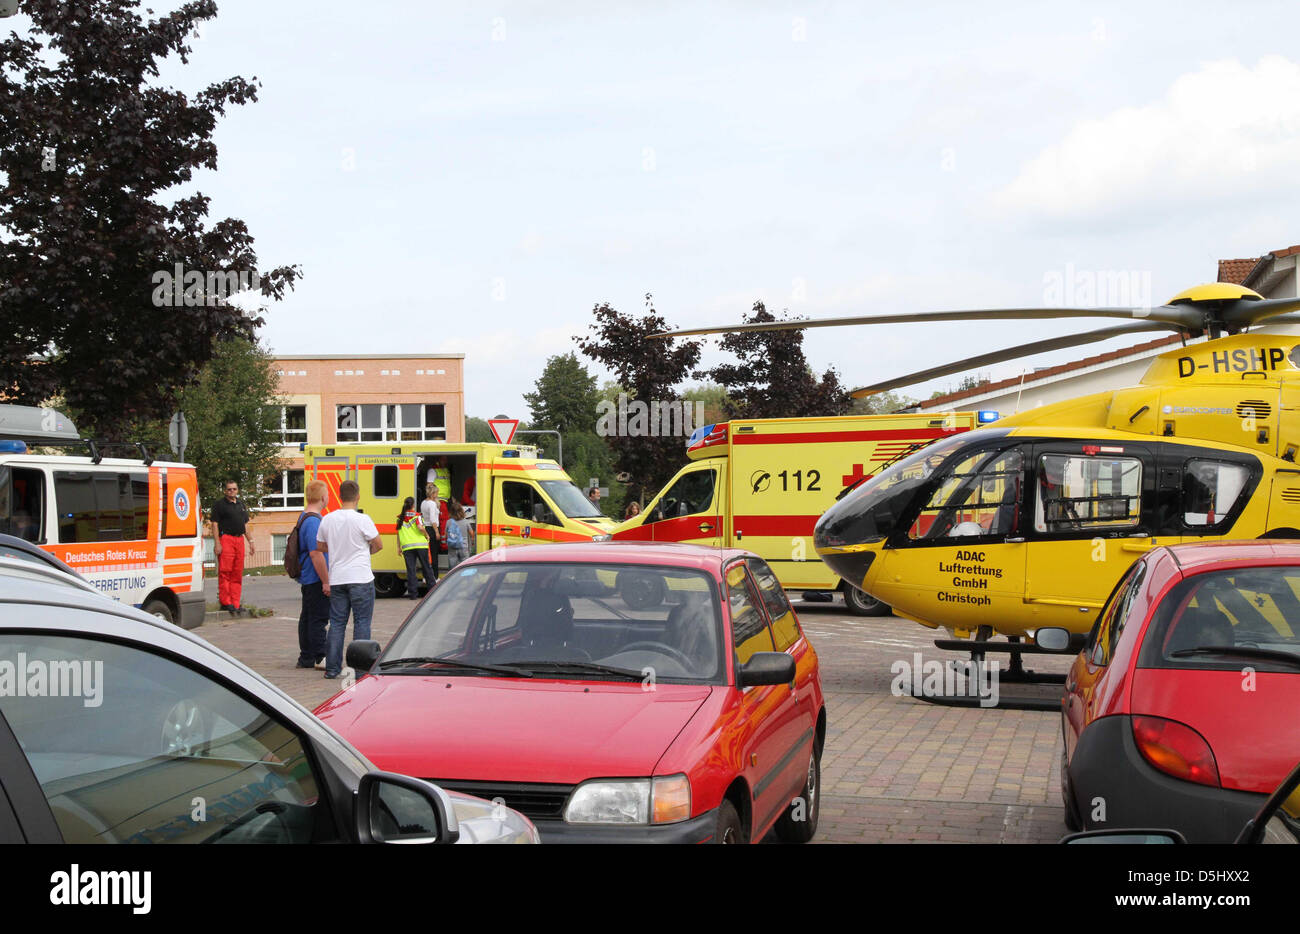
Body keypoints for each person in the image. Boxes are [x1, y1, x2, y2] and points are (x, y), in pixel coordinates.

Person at [315, 479, 382, 679]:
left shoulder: (328, 519)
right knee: (361, 622)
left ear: (339, 495)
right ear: (358, 496)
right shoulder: (363, 519)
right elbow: (378, 544)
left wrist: (336, 549)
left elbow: (319, 546)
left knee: (336, 623)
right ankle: (360, 670)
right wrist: (364, 550)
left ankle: (332, 668)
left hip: (337, 579)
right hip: (360, 577)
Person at [295, 480, 330, 670]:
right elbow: (316, 553)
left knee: (308, 617)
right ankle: (319, 656)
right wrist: (326, 580)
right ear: (323, 497)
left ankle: (306, 656)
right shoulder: (314, 521)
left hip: (309, 576)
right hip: (315, 577)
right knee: (318, 618)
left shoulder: (304, 517)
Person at [209, 479, 255, 614]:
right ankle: (226, 602)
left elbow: (245, 525)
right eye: (229, 489)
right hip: (226, 539)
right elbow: (214, 524)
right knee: (225, 572)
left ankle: (235, 603)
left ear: (237, 490)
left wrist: (251, 541)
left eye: (234, 489)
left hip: (239, 539)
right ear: (225, 491)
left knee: (237, 572)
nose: (232, 491)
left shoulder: (241, 504)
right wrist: (217, 542)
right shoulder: (219, 505)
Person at [396, 496, 433, 599]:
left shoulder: (399, 517)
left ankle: (413, 594)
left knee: (411, 570)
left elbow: (398, 533)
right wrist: (426, 535)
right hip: (420, 545)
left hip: (407, 547)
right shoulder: (417, 516)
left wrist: (398, 547)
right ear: (413, 505)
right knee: (426, 568)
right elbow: (420, 527)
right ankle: (432, 591)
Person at [420, 483, 441, 582]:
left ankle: (425, 576)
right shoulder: (432, 504)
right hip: (432, 529)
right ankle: (435, 577)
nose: (437, 495)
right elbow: (433, 519)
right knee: (434, 554)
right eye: (437, 493)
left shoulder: (423, 503)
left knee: (427, 554)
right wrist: (437, 532)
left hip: (426, 529)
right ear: (433, 494)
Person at [444, 500, 469, 570]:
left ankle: (453, 579)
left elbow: (445, 535)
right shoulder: (466, 522)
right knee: (465, 565)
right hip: (463, 545)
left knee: (452, 566)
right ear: (461, 511)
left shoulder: (448, 522)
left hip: (452, 545)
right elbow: (472, 533)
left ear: (451, 512)